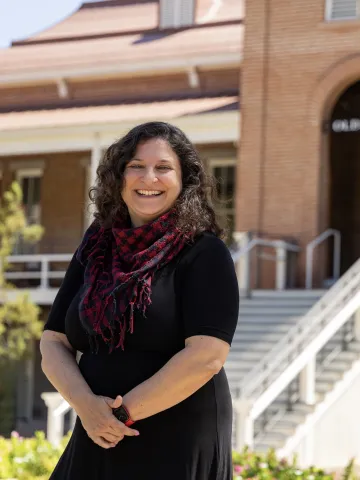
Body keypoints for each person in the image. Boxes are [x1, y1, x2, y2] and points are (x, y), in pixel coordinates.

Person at [40, 121, 240, 480]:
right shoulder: (97, 245)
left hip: (175, 434)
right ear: (119, 178)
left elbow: (207, 356)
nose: (149, 178)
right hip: (97, 429)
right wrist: (87, 407)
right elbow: (53, 341)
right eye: (136, 166)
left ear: (184, 181)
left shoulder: (204, 251)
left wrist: (119, 416)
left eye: (163, 168)